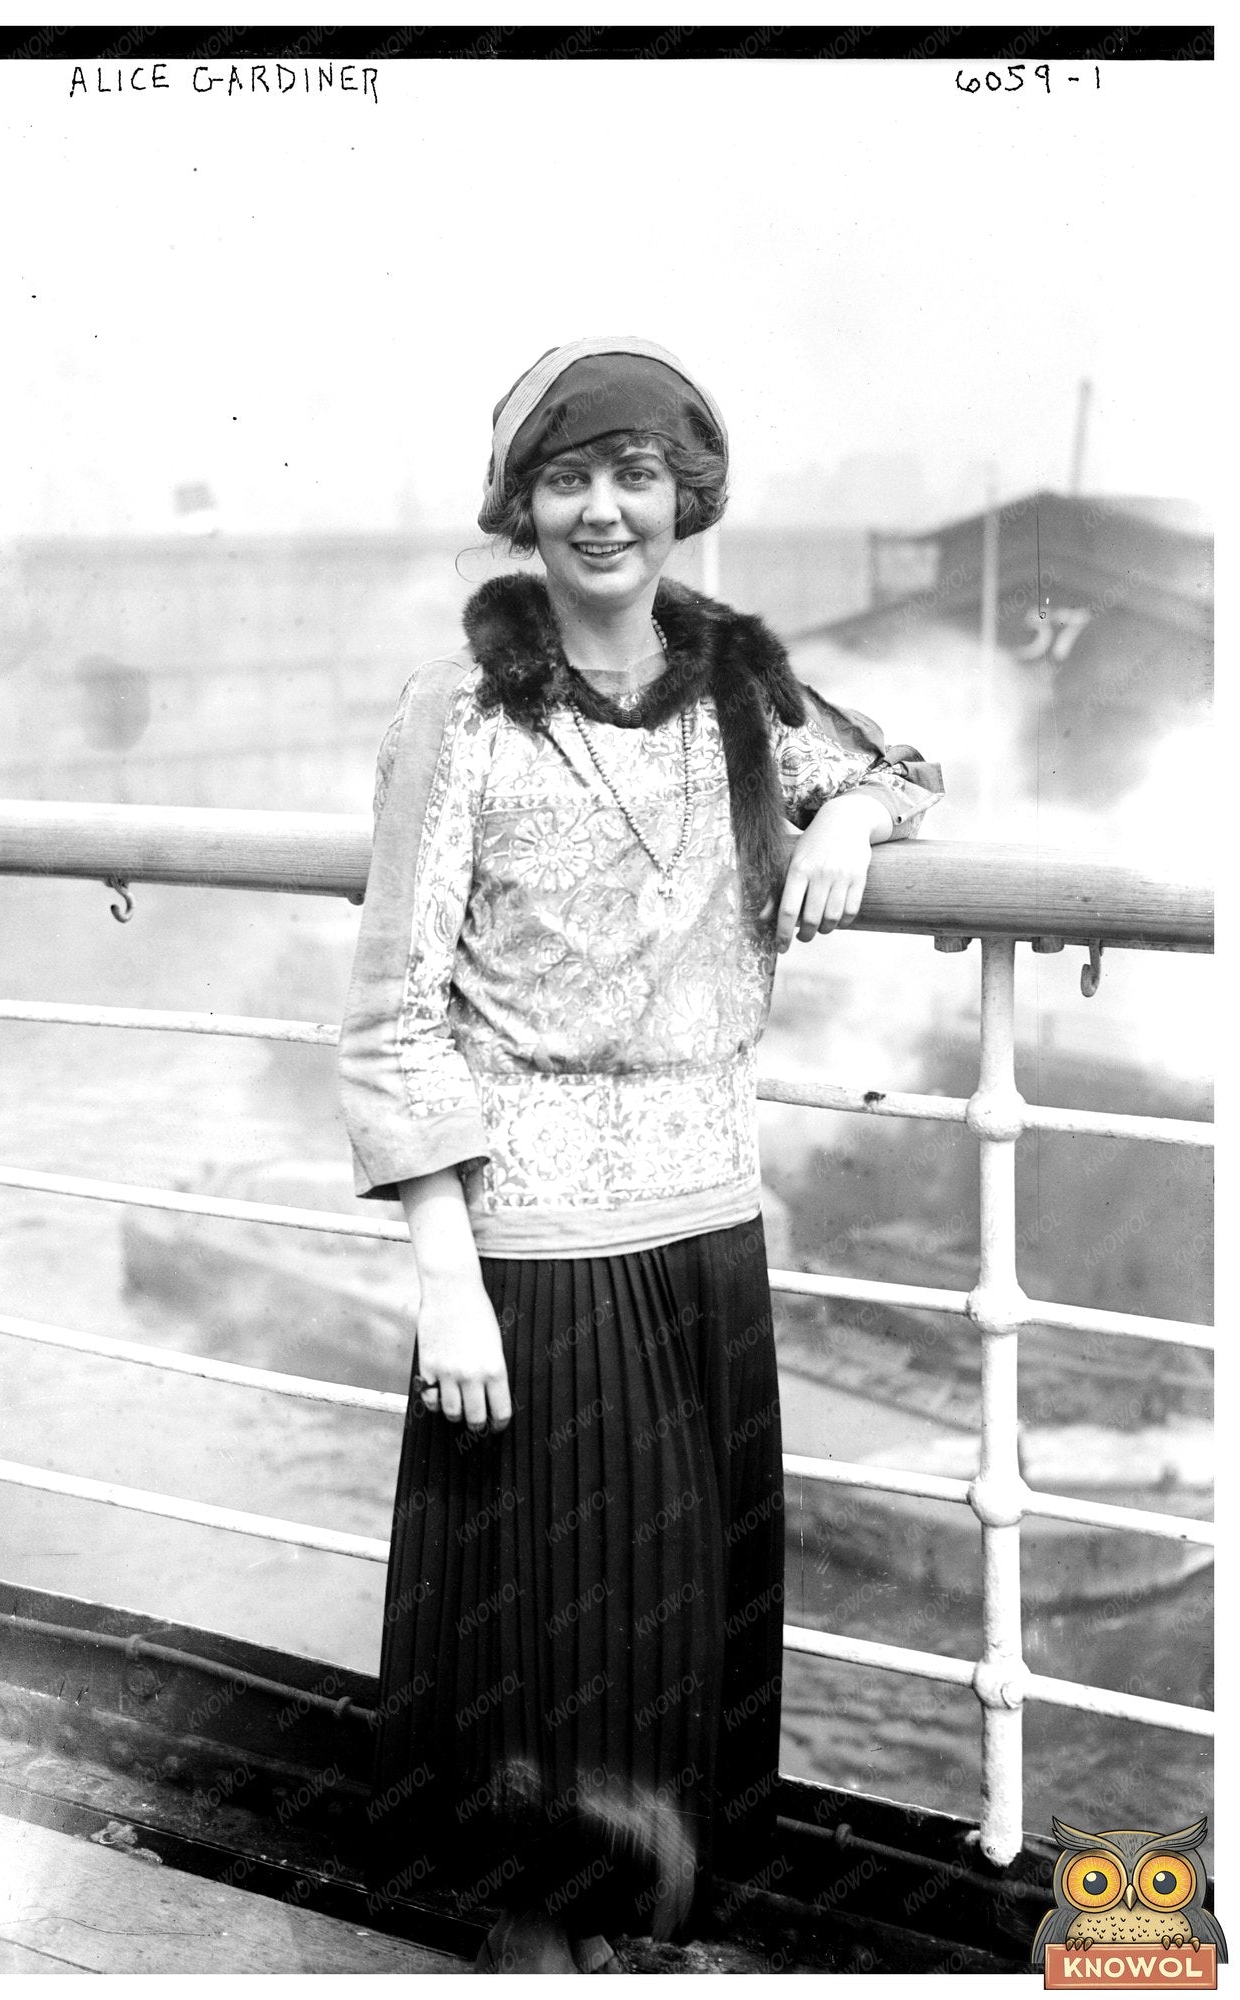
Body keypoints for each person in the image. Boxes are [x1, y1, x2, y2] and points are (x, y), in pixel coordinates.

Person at [338, 335, 942, 1974]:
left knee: (686, 1635)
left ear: (685, 498)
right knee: (552, 1649)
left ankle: (659, 1936)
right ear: (518, 503)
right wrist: (445, 1285)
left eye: (636, 476)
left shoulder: (740, 685)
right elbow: (392, 1015)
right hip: (529, 1239)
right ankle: (546, 1949)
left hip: (704, 1225)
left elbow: (907, 769)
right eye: (566, 477)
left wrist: (846, 818)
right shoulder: (454, 718)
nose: (603, 511)